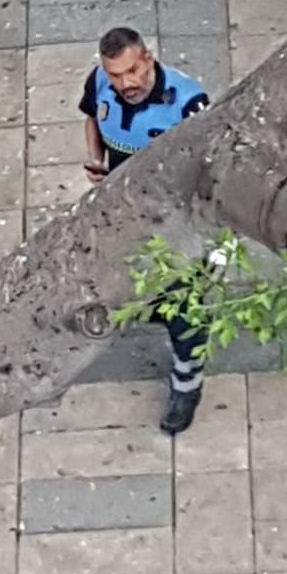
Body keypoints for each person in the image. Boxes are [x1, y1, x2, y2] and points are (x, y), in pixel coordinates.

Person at [78, 26, 210, 435]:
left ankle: (187, 381)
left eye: (132, 71)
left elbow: (210, 168)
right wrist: (96, 161)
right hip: (123, 211)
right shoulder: (101, 83)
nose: (126, 83)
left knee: (184, 304)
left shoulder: (189, 104)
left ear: (148, 58)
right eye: (116, 75)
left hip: (175, 220)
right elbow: (91, 118)